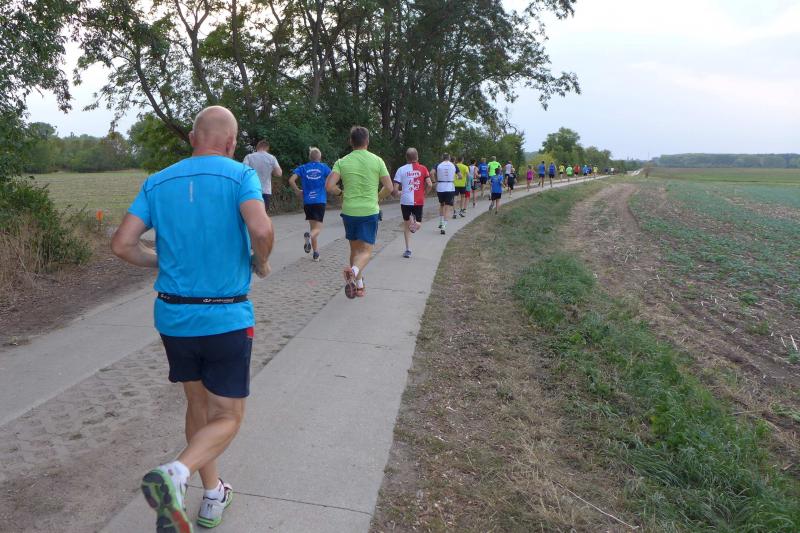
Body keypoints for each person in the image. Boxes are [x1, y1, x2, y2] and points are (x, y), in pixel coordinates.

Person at [112, 106, 274, 532]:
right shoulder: (241, 176)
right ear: (231, 143)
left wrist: (159, 261)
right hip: (224, 316)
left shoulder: (157, 181)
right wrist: (261, 262)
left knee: (197, 404)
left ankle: (213, 493)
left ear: (191, 138)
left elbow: (122, 244)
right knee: (228, 416)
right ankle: (176, 474)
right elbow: (261, 230)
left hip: (174, 317)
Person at [326, 126, 394, 299]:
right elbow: (389, 187)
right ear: (367, 141)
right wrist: (377, 197)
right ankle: (354, 271)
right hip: (369, 211)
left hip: (349, 211)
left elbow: (329, 186)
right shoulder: (377, 161)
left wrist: (341, 194)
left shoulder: (342, 162)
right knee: (366, 252)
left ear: (351, 141)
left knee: (355, 250)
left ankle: (359, 285)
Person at [289, 147, 331, 262]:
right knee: (317, 229)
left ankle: (316, 253)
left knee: (313, 228)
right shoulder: (324, 167)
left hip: (308, 202)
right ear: (320, 157)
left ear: (309, 157)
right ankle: (309, 237)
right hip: (320, 201)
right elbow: (333, 178)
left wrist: (297, 191)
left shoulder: (303, 168)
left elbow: (291, 180)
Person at [393, 147, 432, 259]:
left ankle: (408, 249)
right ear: (417, 157)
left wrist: (399, 193)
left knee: (406, 225)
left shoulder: (401, 170)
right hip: (418, 200)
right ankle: (416, 224)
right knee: (418, 222)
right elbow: (429, 184)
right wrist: (424, 194)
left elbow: (395, 190)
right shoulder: (423, 168)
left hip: (405, 200)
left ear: (406, 158)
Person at [243, 140, 282, 212]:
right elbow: (279, 173)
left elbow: (243, 172)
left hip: (251, 190)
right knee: (263, 214)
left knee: (251, 213)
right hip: (265, 190)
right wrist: (272, 171)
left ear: (258, 146)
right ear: (267, 147)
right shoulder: (272, 158)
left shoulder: (249, 157)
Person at [432, 153, 458, 234]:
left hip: (440, 187)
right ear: (449, 158)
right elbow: (460, 175)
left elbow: (431, 173)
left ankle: (440, 222)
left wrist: (434, 182)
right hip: (450, 187)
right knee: (447, 207)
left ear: (442, 158)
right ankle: (443, 226)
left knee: (441, 205)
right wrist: (456, 176)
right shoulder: (454, 165)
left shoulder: (438, 165)